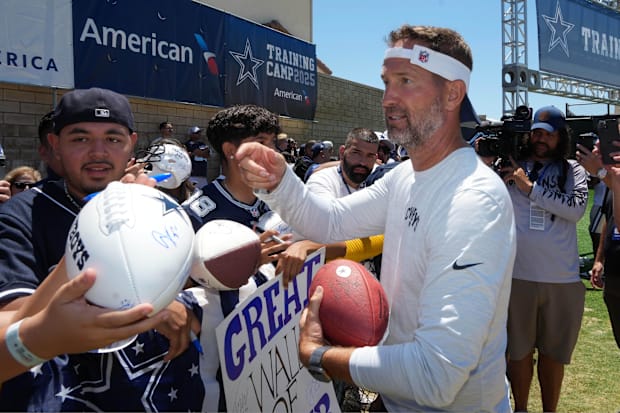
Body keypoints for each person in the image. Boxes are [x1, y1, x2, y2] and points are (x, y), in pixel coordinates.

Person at [236, 25, 516, 412]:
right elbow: (330, 223)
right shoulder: (406, 176)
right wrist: (280, 181)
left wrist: (320, 356)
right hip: (394, 397)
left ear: (452, 93)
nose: (388, 99)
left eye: (406, 81)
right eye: (386, 83)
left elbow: (438, 375)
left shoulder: (473, 199)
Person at [0, 87, 204, 411]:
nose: (98, 152)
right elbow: (12, 327)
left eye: (112, 139)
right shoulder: (22, 215)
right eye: (80, 139)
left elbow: (183, 280)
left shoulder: (152, 206)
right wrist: (93, 239)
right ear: (55, 145)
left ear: (131, 145)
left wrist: (171, 304)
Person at [182, 104, 290, 412]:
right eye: (263, 144)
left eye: (274, 144)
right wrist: (239, 261)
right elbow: (177, 290)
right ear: (231, 150)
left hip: (272, 351)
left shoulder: (282, 203)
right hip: (224, 364)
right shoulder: (196, 214)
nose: (274, 154)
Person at [500, 105, 588, 412]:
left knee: (553, 355)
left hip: (560, 279)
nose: (540, 139)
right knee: (518, 353)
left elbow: (575, 210)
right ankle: (521, 408)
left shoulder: (572, 170)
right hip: (517, 275)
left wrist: (530, 188)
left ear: (560, 137)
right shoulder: (510, 165)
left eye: (548, 134)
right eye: (536, 132)